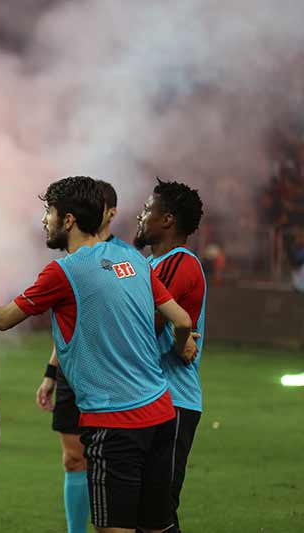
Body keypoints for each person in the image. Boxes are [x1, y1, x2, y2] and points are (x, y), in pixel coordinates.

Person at [0, 176, 196, 533]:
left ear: (68, 220)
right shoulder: (130, 256)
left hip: (114, 424)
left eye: (48, 212)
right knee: (158, 527)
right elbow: (181, 319)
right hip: (161, 414)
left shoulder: (63, 272)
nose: (44, 221)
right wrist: (183, 346)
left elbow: (3, 318)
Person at [35, 179, 122, 533]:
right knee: (73, 459)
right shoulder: (70, 263)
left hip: (110, 378)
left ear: (109, 213)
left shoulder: (122, 260)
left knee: (110, 463)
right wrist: (51, 373)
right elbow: (71, 325)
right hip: (73, 377)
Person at [134, 178, 207, 533]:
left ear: (167, 221)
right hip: (149, 398)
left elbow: (145, 322)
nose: (140, 215)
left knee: (157, 515)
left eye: (148, 209)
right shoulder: (151, 264)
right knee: (139, 513)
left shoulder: (179, 264)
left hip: (173, 400)